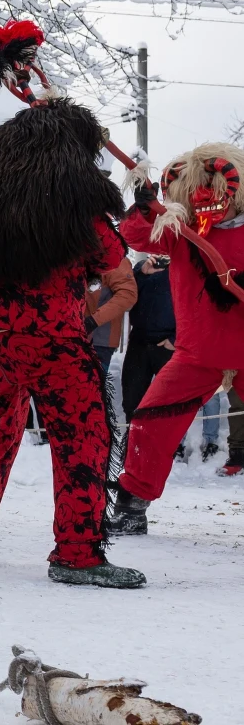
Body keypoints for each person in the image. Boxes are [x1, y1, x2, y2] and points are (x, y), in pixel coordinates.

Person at [0, 19, 143, 588]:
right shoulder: (78, 215)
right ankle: (77, 552)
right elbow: (117, 267)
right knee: (83, 436)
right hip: (56, 340)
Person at [106, 144, 244, 533]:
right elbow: (132, 236)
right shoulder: (180, 233)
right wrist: (147, 207)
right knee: (150, 422)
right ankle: (132, 505)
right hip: (197, 353)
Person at [121, 255, 174, 422]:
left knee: (169, 401)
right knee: (131, 399)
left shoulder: (186, 269)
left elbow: (195, 306)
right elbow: (128, 297)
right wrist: (142, 273)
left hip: (167, 343)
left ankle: (168, 446)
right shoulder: (142, 267)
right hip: (139, 341)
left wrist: (176, 339)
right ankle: (133, 443)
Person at [85, 256, 136, 373]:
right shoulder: (72, 253)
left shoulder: (114, 257)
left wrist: (93, 321)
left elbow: (127, 295)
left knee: (90, 386)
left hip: (98, 340)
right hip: (67, 334)